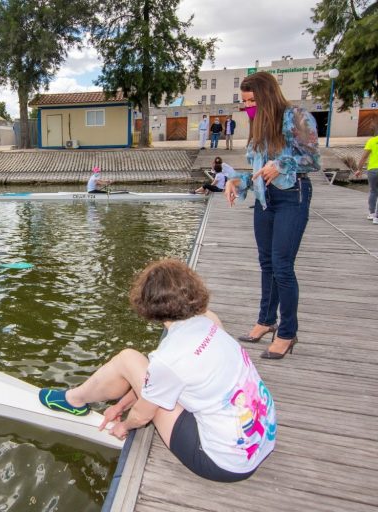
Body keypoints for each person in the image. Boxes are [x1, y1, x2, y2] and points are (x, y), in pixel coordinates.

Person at [38, 259, 276, 482]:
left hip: (224, 463)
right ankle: (79, 397)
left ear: (148, 306)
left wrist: (124, 425)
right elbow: (159, 380)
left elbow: (143, 414)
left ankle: (75, 399)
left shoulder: (170, 358)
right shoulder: (210, 321)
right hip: (263, 438)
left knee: (128, 358)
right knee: (139, 368)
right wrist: (121, 405)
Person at [223, 71, 320, 359]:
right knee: (266, 263)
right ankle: (266, 320)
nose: (248, 106)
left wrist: (282, 164)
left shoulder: (297, 116)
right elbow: (256, 171)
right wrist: (237, 182)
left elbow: (313, 158)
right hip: (265, 200)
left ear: (266, 96)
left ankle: (287, 333)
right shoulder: (258, 125)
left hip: (293, 195)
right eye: (244, 101)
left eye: (252, 100)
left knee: (282, 265)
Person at [354, 133, 378, 224]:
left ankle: (371, 213)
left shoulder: (372, 141)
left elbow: (364, 157)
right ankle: (377, 217)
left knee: (373, 191)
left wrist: (359, 169)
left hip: (372, 170)